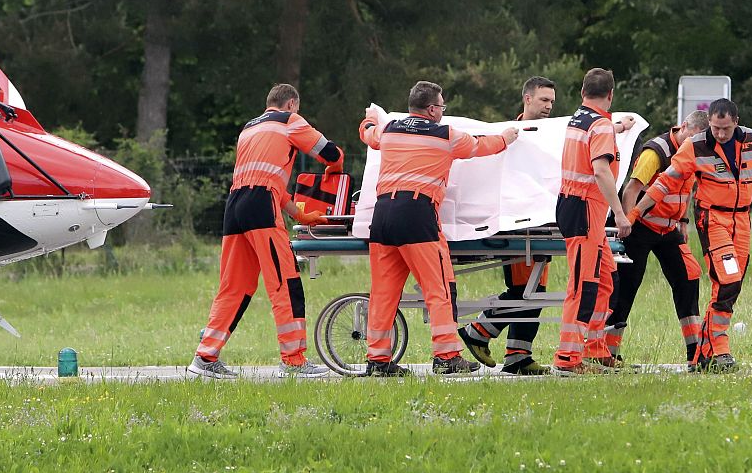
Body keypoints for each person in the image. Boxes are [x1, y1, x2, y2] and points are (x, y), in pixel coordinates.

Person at [359, 80, 519, 376]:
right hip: (417, 216)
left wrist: (370, 117)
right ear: (432, 109)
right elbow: (482, 146)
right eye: (442, 106)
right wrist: (506, 138)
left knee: (383, 292)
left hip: (381, 218)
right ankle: (446, 357)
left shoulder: (390, 129)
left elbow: (368, 134)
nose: (443, 112)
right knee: (439, 288)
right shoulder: (445, 135)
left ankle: (378, 361)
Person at [188, 84, 344, 379]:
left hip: (235, 206)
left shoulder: (248, 128)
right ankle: (294, 361)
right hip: (261, 207)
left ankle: (205, 357)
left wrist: (299, 214)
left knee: (234, 287)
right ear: (292, 104)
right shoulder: (290, 121)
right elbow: (331, 152)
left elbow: (264, 180)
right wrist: (335, 169)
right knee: (285, 283)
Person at [633, 98, 752, 372]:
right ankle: (720, 348)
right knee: (726, 278)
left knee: (733, 282)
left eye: (725, 129)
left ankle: (704, 350)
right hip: (712, 218)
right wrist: (635, 212)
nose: (720, 134)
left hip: (741, 219)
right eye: (715, 128)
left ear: (735, 122)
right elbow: (666, 181)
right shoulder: (696, 145)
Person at [457, 76, 558, 375]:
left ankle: (518, 355)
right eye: (543, 100)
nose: (549, 106)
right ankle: (479, 331)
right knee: (525, 290)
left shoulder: (550, 137)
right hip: (518, 227)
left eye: (552, 101)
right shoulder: (510, 137)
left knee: (535, 290)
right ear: (527, 99)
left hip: (542, 225)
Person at [604, 110, 709, 364]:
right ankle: (607, 352)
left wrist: (682, 220)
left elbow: (686, 188)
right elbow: (632, 188)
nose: (694, 144)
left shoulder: (697, 150)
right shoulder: (657, 152)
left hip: (668, 228)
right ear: (683, 127)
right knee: (627, 286)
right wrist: (627, 224)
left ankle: (694, 352)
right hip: (639, 227)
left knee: (688, 278)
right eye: (692, 137)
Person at [552, 68, 634, 376]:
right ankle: (567, 359)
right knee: (583, 284)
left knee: (603, 279)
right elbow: (601, 171)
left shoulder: (580, 119)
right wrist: (621, 213)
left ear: (582, 92)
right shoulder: (600, 127)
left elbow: (599, 130)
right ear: (611, 95)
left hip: (576, 207)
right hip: (586, 210)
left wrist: (620, 126)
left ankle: (594, 349)